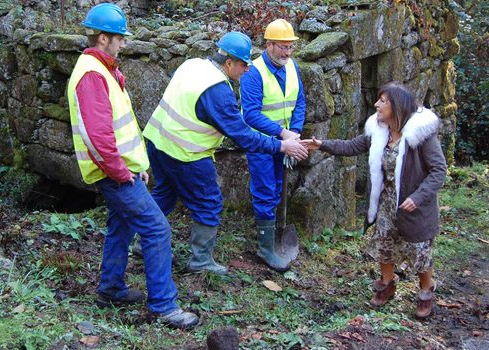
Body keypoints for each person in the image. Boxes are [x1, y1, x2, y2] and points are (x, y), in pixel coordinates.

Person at [66, 3, 197, 329]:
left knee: (121, 227)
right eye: (119, 38)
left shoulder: (101, 70)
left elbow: (116, 128)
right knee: (157, 228)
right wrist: (122, 172)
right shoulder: (92, 75)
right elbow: (99, 137)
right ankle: (164, 306)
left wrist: (133, 165)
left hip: (119, 170)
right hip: (113, 174)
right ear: (102, 38)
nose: (123, 43)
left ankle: (110, 290)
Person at [142, 31, 309, 275]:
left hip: (157, 142)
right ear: (228, 62)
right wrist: (281, 145)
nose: (246, 70)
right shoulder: (218, 91)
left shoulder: (193, 65)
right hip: (185, 152)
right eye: (243, 65)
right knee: (209, 202)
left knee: (166, 193)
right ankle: (201, 261)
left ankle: (140, 243)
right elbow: (242, 134)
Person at [301, 83, 447, 318]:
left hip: (415, 205)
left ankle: (425, 291)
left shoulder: (421, 135)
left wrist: (417, 197)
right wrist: (321, 145)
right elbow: (352, 146)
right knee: (385, 245)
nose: (377, 104)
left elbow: (439, 171)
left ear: (397, 106)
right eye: (378, 99)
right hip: (387, 203)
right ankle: (387, 285)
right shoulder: (380, 130)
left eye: (383, 101)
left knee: (420, 252)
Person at [239, 19, 306, 272]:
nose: (287, 53)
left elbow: (299, 101)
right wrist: (283, 134)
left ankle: (275, 235)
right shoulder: (253, 73)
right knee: (266, 189)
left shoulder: (292, 67)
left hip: (286, 138)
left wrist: (295, 133)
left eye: (291, 48)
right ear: (268, 45)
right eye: (282, 47)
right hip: (262, 142)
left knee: (278, 187)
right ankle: (265, 248)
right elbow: (251, 115)